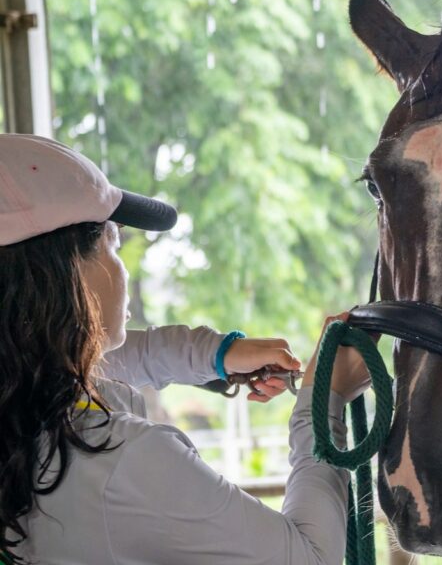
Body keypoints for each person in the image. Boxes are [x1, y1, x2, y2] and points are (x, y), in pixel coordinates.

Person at [0, 134, 370, 563]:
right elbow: (312, 558)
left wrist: (216, 355)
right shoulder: (125, 462)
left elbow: (116, 356)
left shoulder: (20, 403)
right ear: (68, 276)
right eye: (112, 245)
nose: (120, 267)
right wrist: (324, 404)